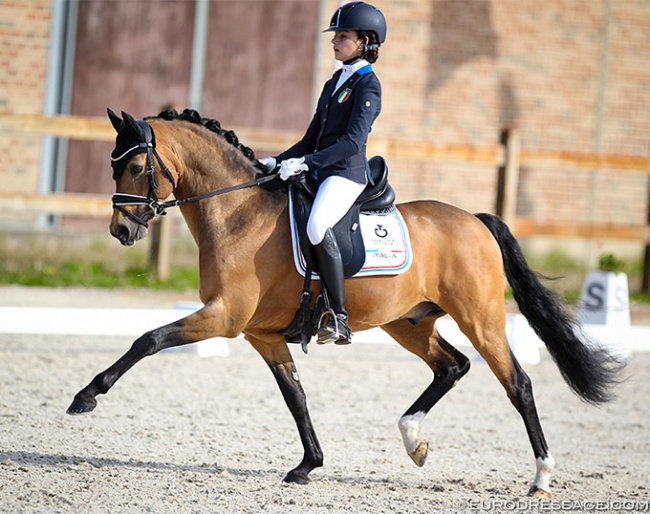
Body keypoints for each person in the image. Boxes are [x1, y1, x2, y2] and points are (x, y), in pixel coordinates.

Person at [259, 2, 387, 345]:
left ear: (365, 41)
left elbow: (351, 143)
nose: (335, 42)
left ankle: (339, 318)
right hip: (319, 170)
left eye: (343, 36)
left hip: (345, 173)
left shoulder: (367, 86)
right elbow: (310, 139)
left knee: (317, 225)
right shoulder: (334, 82)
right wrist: (277, 160)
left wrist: (307, 164)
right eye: (335, 36)